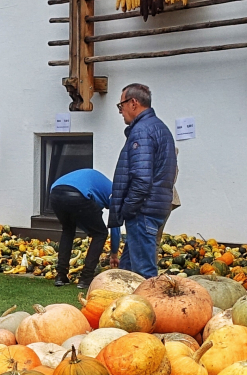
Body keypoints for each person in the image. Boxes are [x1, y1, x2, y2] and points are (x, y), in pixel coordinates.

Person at [109, 83, 177, 278]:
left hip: (142, 210)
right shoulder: (158, 127)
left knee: (144, 274)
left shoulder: (142, 131)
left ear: (133, 103)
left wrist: (128, 209)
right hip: (153, 207)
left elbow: (141, 179)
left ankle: (152, 309)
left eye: (120, 106)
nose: (120, 111)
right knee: (126, 272)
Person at [49, 167, 113, 288]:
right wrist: (114, 253)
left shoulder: (97, 186)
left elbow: (88, 213)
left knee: (68, 230)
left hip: (55, 193)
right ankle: (86, 278)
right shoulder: (114, 192)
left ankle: (60, 276)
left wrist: (89, 229)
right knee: (101, 233)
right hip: (78, 194)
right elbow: (115, 222)